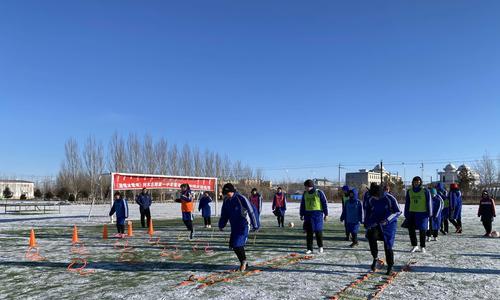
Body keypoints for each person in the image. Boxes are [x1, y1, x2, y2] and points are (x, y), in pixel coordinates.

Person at [218, 183, 259, 272]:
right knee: (233, 245)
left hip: (243, 225)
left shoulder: (241, 198)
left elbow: (252, 211)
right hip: (234, 226)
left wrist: (255, 225)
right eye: (225, 194)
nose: (227, 195)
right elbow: (224, 214)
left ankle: (243, 262)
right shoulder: (226, 201)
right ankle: (244, 262)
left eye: (228, 193)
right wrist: (221, 224)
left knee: (237, 243)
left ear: (232, 191)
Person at [364, 184, 401, 275]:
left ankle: (390, 265)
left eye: (375, 196)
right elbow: (368, 211)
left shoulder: (389, 198)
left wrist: (387, 220)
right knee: (371, 237)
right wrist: (367, 223)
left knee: (387, 244)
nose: (374, 198)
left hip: (389, 225)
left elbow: (398, 211)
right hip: (377, 223)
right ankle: (375, 259)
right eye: (373, 196)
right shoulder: (371, 199)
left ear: (379, 194)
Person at [300, 179, 328, 254]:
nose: (305, 188)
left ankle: (320, 247)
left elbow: (324, 203)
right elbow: (302, 204)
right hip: (308, 215)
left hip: (317, 215)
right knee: (309, 233)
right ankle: (309, 248)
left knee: (318, 231)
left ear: (310, 186)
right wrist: (301, 214)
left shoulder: (319, 192)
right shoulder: (305, 194)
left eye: (306, 186)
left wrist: (326, 214)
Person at [404, 176, 432, 253]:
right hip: (412, 213)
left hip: (422, 213)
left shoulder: (425, 191)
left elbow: (429, 202)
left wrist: (430, 212)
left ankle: (422, 246)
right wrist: (406, 212)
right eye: (415, 182)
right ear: (413, 182)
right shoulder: (409, 191)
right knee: (411, 230)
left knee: (422, 230)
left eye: (418, 182)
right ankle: (415, 245)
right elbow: (407, 203)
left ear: (420, 183)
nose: (416, 183)